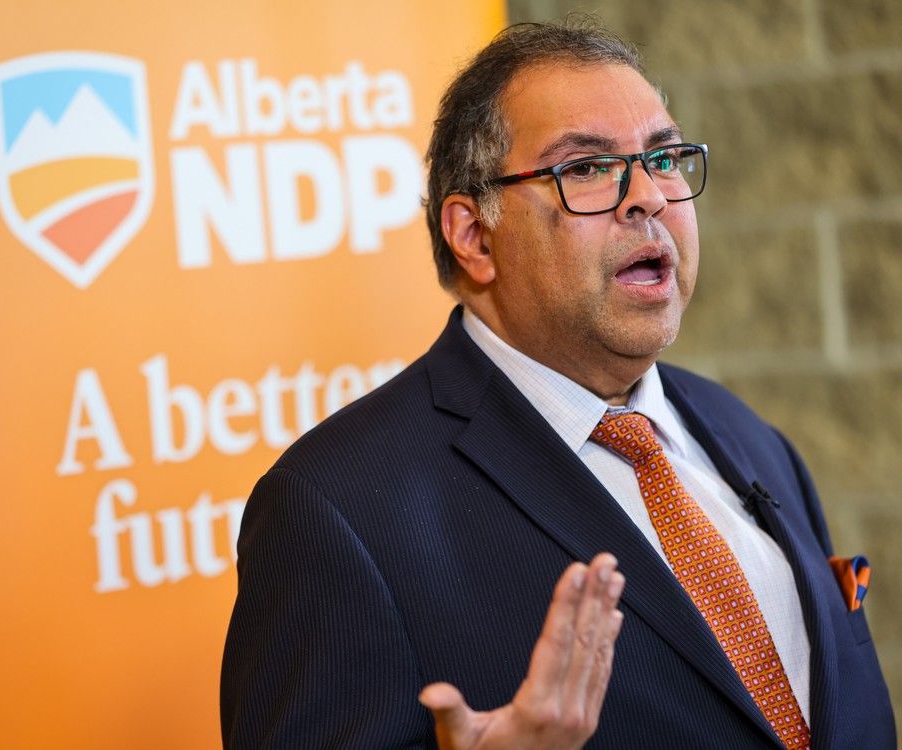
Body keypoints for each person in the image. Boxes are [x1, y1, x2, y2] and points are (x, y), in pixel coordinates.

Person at [220, 18, 896, 749]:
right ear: (475, 237)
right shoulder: (336, 511)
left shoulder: (745, 434)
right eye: (587, 169)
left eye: (663, 156)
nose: (649, 199)